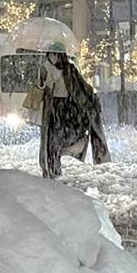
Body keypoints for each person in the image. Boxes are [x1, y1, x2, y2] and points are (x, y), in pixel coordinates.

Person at [36, 44, 109, 179]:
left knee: (65, 137)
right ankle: (51, 168)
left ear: (60, 55)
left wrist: (91, 99)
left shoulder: (69, 69)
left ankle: (57, 163)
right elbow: (40, 87)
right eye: (50, 54)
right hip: (53, 108)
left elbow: (80, 86)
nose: (52, 57)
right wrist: (43, 85)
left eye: (55, 54)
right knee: (52, 141)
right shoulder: (45, 68)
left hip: (67, 108)